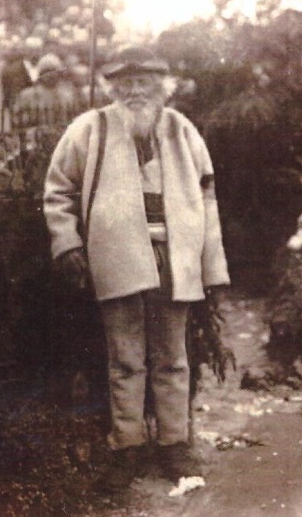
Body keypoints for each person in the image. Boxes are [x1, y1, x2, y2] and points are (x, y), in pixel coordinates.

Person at [43, 45, 230, 492]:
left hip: (175, 257)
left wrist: (212, 268)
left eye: (144, 82)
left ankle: (174, 444)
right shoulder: (90, 129)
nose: (136, 92)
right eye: (126, 84)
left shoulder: (182, 131)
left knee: (173, 357)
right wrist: (67, 243)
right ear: (113, 88)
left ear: (162, 87)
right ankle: (127, 446)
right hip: (117, 256)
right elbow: (57, 192)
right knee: (124, 358)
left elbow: (207, 200)